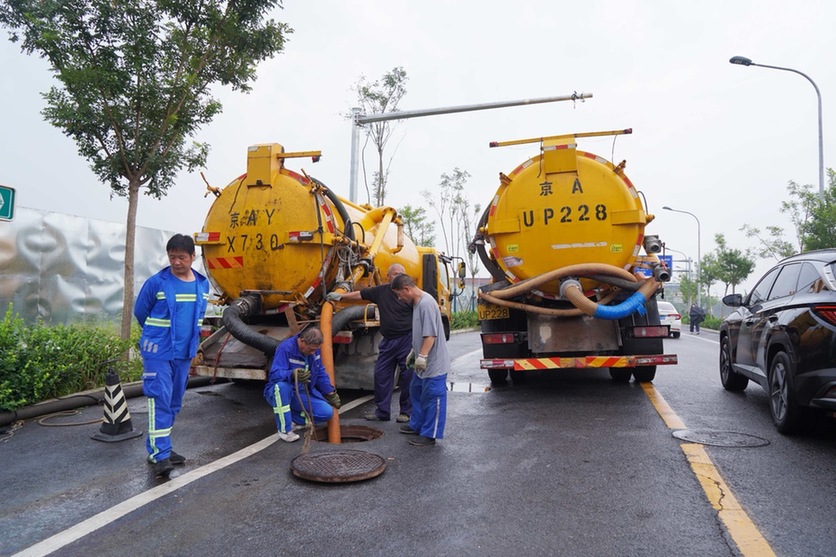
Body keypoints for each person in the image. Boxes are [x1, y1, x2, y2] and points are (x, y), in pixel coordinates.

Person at [135, 234, 210, 478]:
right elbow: (141, 313)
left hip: (184, 352)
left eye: (181, 257)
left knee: (174, 401)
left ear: (192, 257)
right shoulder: (157, 282)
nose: (176, 262)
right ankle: (159, 454)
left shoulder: (201, 283)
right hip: (159, 351)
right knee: (160, 398)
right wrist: (155, 337)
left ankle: (163, 447)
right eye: (172, 257)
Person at [326, 263, 413, 423]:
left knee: (408, 376)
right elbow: (361, 295)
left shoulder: (409, 294)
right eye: (395, 273)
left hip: (406, 340)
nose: (398, 276)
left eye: (401, 273)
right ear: (388, 276)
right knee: (381, 375)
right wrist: (340, 296)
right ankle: (382, 412)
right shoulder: (381, 291)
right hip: (387, 341)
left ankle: (406, 412)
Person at [390, 273, 449, 447]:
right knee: (416, 391)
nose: (399, 298)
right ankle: (417, 424)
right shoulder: (416, 303)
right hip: (421, 362)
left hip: (434, 364)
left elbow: (430, 335)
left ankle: (429, 434)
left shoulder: (427, 304)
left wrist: (422, 356)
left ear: (407, 289)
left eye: (399, 294)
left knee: (433, 397)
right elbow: (420, 333)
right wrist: (413, 353)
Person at [264, 327, 341, 442]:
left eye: (316, 350)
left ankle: (292, 419)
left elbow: (320, 372)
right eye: (311, 349)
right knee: (282, 387)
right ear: (302, 341)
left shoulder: (314, 351)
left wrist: (330, 392)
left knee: (326, 412)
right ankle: (285, 430)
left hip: (302, 392)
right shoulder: (286, 348)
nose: (313, 353)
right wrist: (291, 374)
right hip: (281, 391)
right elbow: (274, 374)